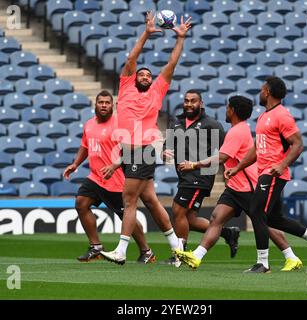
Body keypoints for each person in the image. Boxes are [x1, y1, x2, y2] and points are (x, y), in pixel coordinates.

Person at [101, 12, 192, 266]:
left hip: (144, 149)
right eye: (141, 75)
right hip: (129, 150)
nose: (144, 77)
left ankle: (121, 250)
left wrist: (180, 39)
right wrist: (146, 33)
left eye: (148, 76)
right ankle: (178, 250)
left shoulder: (157, 90)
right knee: (150, 200)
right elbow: (131, 58)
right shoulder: (127, 85)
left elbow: (171, 65)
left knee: (129, 200)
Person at [175, 95, 303, 271]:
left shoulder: (237, 132)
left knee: (263, 223)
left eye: (228, 108)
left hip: (247, 186)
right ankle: (197, 256)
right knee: (216, 218)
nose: (226, 110)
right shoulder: (238, 129)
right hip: (235, 186)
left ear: (232, 110)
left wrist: (194, 164)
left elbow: (221, 157)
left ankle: (291, 256)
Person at [226, 77, 307, 273]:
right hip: (264, 171)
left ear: (268, 92)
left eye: (262, 89)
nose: (260, 92)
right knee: (274, 218)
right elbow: (257, 149)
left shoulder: (282, 116)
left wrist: (282, 165)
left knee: (256, 211)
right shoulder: (263, 117)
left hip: (272, 172)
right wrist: (238, 167)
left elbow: (298, 143)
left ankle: (263, 263)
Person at [63, 90, 155, 264]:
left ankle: (146, 251)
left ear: (112, 106)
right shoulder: (89, 124)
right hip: (96, 177)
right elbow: (85, 146)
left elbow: (131, 150)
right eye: (101, 102)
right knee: (81, 203)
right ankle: (96, 247)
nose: (104, 105)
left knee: (126, 217)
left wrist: (115, 166)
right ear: (95, 104)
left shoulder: (120, 125)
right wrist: (75, 164)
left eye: (107, 102)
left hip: (116, 180)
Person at [162, 89, 240, 264]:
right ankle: (228, 233)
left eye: (193, 101)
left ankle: (179, 254)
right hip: (184, 177)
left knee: (177, 210)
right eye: (186, 101)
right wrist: (164, 153)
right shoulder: (176, 123)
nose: (189, 104)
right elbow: (167, 146)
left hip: (200, 175)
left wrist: (230, 171)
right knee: (189, 219)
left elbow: (225, 152)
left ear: (201, 104)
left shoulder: (212, 125)